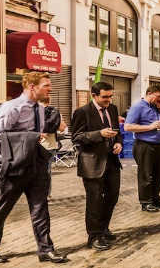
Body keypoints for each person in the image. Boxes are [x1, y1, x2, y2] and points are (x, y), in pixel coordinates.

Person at [0, 71, 67, 264]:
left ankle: (46, 249)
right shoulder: (12, 108)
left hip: (36, 165)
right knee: (1, 210)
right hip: (12, 168)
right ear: (32, 87)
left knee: (40, 209)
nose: (50, 89)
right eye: (46, 85)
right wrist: (32, 136)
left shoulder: (40, 109)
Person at [71, 81, 122, 251]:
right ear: (94, 96)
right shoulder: (82, 112)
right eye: (105, 97)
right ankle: (94, 236)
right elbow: (76, 137)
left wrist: (118, 143)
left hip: (112, 161)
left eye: (110, 96)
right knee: (94, 201)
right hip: (92, 162)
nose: (109, 100)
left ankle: (103, 227)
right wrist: (99, 134)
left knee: (113, 196)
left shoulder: (113, 109)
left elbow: (117, 132)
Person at [123, 84, 160, 212]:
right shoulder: (138, 107)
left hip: (158, 146)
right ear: (150, 93)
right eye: (158, 96)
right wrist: (149, 127)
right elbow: (127, 127)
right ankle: (146, 202)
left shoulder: (157, 107)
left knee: (159, 174)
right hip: (144, 145)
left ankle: (155, 198)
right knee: (146, 175)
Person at [38, 96, 66, 197]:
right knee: (46, 170)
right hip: (49, 145)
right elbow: (62, 128)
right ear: (49, 100)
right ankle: (46, 193)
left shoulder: (33, 111)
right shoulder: (54, 112)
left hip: (34, 145)